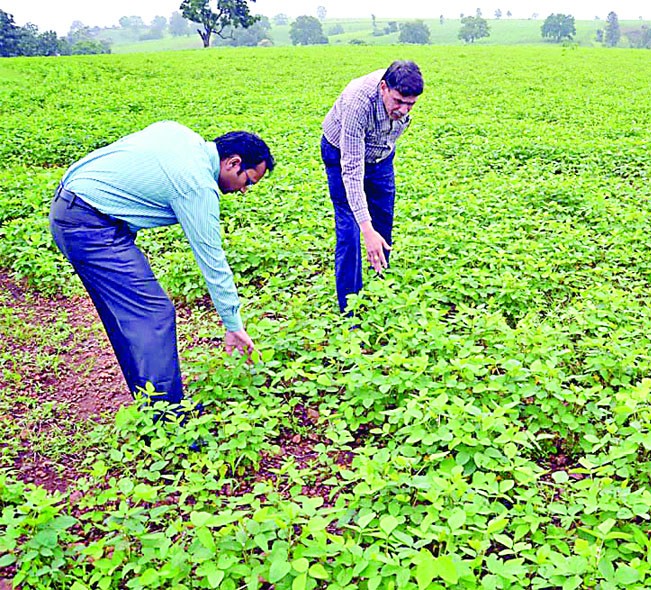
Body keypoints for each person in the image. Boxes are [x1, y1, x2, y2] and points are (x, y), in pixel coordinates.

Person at [49, 120, 275, 411]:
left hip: (72, 206)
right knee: (153, 313)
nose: (245, 190)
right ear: (233, 162)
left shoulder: (182, 135)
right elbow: (212, 261)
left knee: (128, 315)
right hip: (89, 225)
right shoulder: (197, 185)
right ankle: (167, 417)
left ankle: (150, 403)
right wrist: (233, 325)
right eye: (249, 181)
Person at [321, 60, 424, 313]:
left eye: (410, 104)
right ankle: (350, 309)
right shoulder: (358, 104)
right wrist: (366, 230)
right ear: (383, 88)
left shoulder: (403, 100)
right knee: (350, 229)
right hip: (340, 154)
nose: (403, 109)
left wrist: (373, 229)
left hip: (380, 155)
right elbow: (352, 170)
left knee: (383, 219)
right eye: (398, 101)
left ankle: (380, 286)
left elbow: (393, 131)